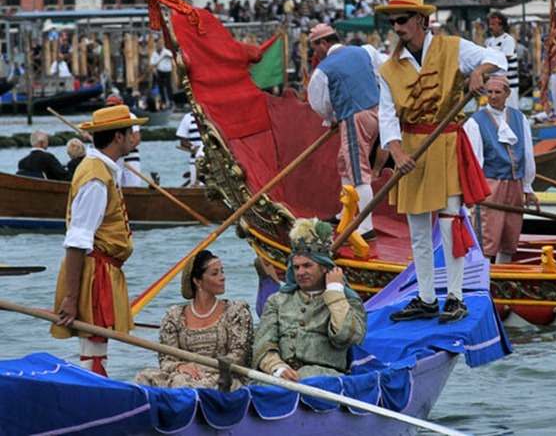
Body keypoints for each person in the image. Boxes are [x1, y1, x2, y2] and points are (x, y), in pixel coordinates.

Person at [374, 0, 506, 323]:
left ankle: (456, 297)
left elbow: (497, 58)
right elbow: (387, 116)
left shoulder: (454, 48)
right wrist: (397, 151)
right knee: (417, 230)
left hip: (446, 143)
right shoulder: (390, 68)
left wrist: (480, 71)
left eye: (402, 20)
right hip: (413, 149)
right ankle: (427, 298)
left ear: (421, 20)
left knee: (450, 223)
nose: (397, 27)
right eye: (392, 22)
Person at [50, 105, 147, 375]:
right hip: (94, 273)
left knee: (97, 347)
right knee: (92, 350)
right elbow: (78, 240)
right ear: (118, 136)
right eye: (130, 132)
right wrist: (71, 296)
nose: (133, 137)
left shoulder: (102, 170)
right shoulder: (95, 178)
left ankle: (94, 391)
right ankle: (92, 396)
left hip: (102, 270)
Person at [253, 218, 367, 381]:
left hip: (325, 379)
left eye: (307, 266)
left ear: (325, 267)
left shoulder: (348, 301)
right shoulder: (277, 301)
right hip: (279, 378)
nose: (300, 272)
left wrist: (335, 293)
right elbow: (263, 344)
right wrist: (277, 368)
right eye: (297, 267)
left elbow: (347, 338)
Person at [306, 23, 387, 240]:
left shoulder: (324, 70)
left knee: (358, 171)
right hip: (376, 111)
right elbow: (382, 73)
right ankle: (346, 212)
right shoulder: (365, 51)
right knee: (344, 161)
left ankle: (365, 226)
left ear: (324, 43)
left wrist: (333, 118)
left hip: (354, 117)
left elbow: (319, 103)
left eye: (315, 47)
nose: (315, 53)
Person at [134, 250, 254, 390]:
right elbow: (166, 360)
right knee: (143, 377)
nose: (223, 277)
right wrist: (180, 366)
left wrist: (197, 369)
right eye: (215, 273)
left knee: (182, 383)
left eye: (222, 271)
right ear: (197, 281)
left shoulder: (236, 312)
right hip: (183, 375)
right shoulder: (175, 316)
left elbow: (238, 357)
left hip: (223, 377)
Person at [465, 76, 539, 264]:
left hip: (515, 184)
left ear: (507, 93)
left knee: (510, 235)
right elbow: (474, 162)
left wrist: (528, 188)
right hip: (490, 185)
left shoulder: (519, 117)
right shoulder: (475, 122)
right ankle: (483, 277)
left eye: (498, 92)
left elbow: (527, 153)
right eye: (489, 92)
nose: (493, 96)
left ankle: (503, 272)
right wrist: (473, 193)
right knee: (488, 235)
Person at [106, 94, 143, 187]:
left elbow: (136, 138)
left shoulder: (130, 116)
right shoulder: (106, 119)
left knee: (133, 187)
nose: (110, 108)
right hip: (114, 159)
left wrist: (123, 151)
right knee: (115, 187)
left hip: (130, 158)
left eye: (113, 106)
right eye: (108, 106)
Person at [486, 12, 519, 109]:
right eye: (490, 24)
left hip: (509, 83)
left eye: (493, 25)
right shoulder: (490, 41)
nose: (490, 27)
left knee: (510, 111)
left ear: (501, 26)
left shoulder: (507, 40)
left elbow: (503, 60)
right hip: (494, 84)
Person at [176, 111, 204, 186]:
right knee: (196, 186)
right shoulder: (188, 117)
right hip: (195, 159)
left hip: (214, 158)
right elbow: (183, 141)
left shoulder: (213, 114)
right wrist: (193, 147)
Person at [149, 38, 174, 109]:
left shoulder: (166, 52)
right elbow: (152, 64)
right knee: (161, 87)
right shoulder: (154, 54)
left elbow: (173, 56)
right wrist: (154, 67)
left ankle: (171, 101)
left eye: (160, 45)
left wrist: (168, 56)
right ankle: (163, 101)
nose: (159, 46)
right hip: (160, 72)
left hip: (167, 72)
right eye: (158, 45)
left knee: (169, 86)